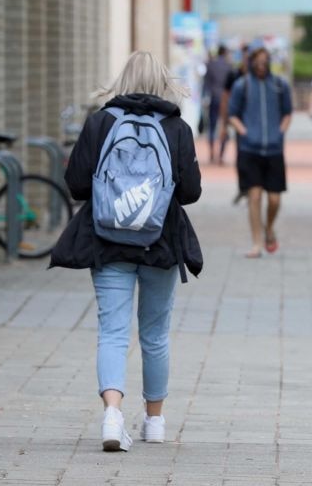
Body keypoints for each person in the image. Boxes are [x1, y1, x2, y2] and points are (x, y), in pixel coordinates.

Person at [50, 51, 202, 452]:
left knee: (113, 333)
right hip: (160, 243)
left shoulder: (101, 122)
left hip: (108, 241)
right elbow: (190, 192)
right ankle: (154, 421)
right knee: (155, 336)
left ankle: (112, 416)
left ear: (123, 79)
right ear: (163, 83)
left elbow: (77, 184)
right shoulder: (176, 128)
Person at [228, 47, 293, 258]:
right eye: (258, 62)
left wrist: (280, 132)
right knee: (254, 197)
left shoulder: (279, 85)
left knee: (274, 199)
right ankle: (256, 242)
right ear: (251, 63)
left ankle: (269, 228)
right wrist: (244, 132)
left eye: (265, 62)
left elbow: (287, 113)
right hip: (250, 149)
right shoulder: (242, 85)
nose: (261, 66)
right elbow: (232, 114)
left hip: (274, 149)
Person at [222, 45, 249, 203]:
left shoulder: (260, 77)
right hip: (238, 121)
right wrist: (224, 122)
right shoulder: (233, 75)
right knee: (241, 156)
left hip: (255, 123)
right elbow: (225, 98)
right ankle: (243, 187)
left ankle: (254, 188)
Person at [202, 46, 233, 164]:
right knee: (224, 127)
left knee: (212, 126)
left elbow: (206, 84)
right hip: (226, 100)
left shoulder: (211, 65)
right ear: (225, 53)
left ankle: (211, 152)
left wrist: (205, 98)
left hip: (213, 98)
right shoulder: (229, 66)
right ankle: (221, 155)